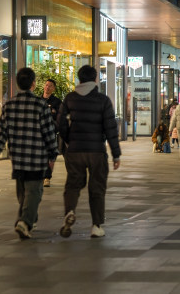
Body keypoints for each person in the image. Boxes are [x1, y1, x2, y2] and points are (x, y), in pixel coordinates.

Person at [0, 68, 58, 240]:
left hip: (17, 157)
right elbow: (49, 132)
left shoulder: (9, 105)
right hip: (36, 157)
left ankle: (29, 220)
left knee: (23, 192)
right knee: (34, 192)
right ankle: (25, 222)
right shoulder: (41, 105)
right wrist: (52, 153)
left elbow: (2, 131)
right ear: (33, 84)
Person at [58, 65, 121, 239]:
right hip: (96, 152)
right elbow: (110, 129)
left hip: (75, 151)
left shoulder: (70, 98)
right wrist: (116, 154)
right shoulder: (103, 100)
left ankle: (69, 211)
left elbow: (61, 124)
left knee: (72, 185)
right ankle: (96, 225)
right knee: (97, 188)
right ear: (95, 80)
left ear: (79, 79)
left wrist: (70, 140)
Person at [41, 79, 62, 188]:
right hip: (38, 133)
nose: (47, 87)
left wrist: (55, 128)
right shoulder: (37, 100)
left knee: (50, 155)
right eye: (46, 85)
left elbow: (60, 118)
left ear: (53, 88)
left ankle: (47, 177)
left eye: (50, 86)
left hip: (50, 133)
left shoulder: (57, 102)